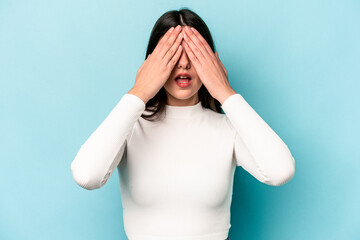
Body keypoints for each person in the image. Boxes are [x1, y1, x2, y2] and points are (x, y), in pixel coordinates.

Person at [70, 8, 295, 240]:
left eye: (194, 53)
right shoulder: (130, 128)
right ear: (153, 63)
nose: (184, 63)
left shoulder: (228, 128)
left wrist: (225, 92)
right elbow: (87, 175)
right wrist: (139, 92)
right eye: (173, 53)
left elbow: (280, 171)